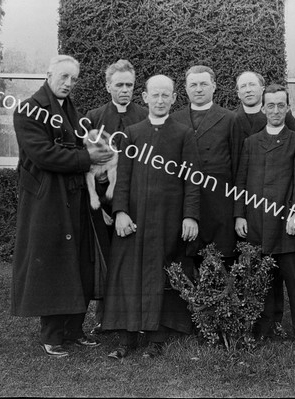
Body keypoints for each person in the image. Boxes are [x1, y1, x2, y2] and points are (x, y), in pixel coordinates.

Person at [11, 55, 112, 358]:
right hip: (48, 201)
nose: (69, 84)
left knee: (81, 264)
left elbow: (78, 147)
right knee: (54, 265)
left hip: (77, 198)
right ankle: (52, 335)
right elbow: (44, 154)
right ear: (48, 75)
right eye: (64, 77)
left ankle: (73, 330)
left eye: (74, 79)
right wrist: (87, 159)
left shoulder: (73, 112)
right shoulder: (29, 110)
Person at [102, 74, 200, 359]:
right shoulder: (133, 133)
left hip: (168, 219)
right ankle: (126, 337)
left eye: (165, 95)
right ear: (144, 98)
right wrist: (119, 212)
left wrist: (190, 216)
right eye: (154, 95)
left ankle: (157, 337)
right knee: (128, 275)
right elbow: (122, 179)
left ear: (173, 99)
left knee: (163, 272)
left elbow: (193, 181)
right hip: (135, 219)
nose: (159, 100)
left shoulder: (184, 134)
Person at [234, 84, 295, 344]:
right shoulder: (251, 142)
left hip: (287, 224)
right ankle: (266, 330)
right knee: (263, 280)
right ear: (263, 108)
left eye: (281, 105)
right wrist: (240, 215)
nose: (276, 110)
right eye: (271, 105)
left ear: (287, 107)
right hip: (257, 222)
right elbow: (241, 182)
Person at [85, 59, 148, 334]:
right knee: (106, 259)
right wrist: (99, 203)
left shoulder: (145, 115)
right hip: (104, 203)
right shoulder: (94, 116)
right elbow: (87, 163)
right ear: (108, 85)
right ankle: (104, 318)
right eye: (119, 85)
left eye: (129, 85)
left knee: (134, 259)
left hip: (136, 199)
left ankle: (136, 318)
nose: (124, 90)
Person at [172, 65, 244, 268]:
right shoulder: (174, 120)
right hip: (184, 206)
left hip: (219, 207)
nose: (198, 89)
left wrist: (238, 213)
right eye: (193, 85)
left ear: (214, 86)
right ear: (185, 89)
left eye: (204, 84)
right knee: (185, 268)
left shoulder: (230, 119)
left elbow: (239, 170)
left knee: (220, 268)